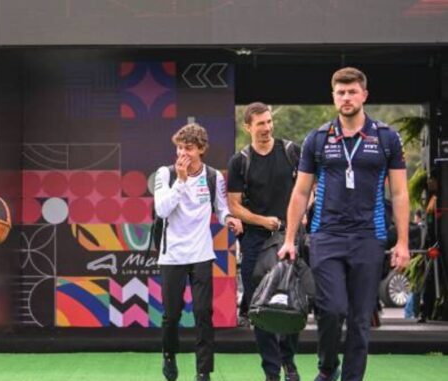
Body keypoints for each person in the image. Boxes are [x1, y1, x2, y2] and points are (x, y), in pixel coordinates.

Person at [278, 67, 410, 381]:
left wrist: (402, 242)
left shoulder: (386, 138)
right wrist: (289, 239)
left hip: (369, 237)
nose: (346, 97)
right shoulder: (318, 138)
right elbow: (300, 191)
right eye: (340, 92)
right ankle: (327, 368)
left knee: (360, 320)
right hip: (326, 236)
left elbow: (400, 192)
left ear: (364, 95)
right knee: (332, 309)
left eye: (352, 91)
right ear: (333, 96)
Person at [154, 123, 243, 381]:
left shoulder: (214, 176)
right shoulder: (165, 174)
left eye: (189, 148)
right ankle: (169, 355)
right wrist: (180, 182)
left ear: (202, 149)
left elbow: (222, 208)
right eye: (180, 147)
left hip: (202, 254)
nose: (183, 153)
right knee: (172, 315)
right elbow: (162, 210)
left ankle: (203, 371)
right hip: (172, 256)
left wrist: (229, 219)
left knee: (204, 314)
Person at [227, 102, 301, 381]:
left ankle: (289, 361)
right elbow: (234, 205)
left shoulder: (292, 151)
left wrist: (300, 216)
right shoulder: (240, 161)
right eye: (260, 124)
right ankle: (271, 370)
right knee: (259, 307)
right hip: (255, 241)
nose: (267, 128)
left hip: (289, 237)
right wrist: (261, 220)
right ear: (248, 127)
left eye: (269, 122)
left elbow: (310, 187)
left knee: (293, 301)